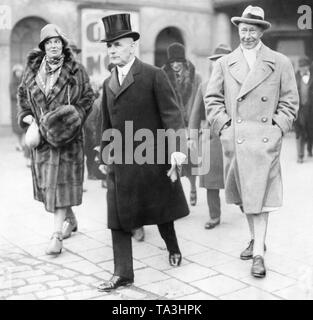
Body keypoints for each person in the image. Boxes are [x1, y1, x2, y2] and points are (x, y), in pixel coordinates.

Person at [97, 13, 189, 291]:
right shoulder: (107, 83)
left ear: (132, 46)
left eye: (118, 45)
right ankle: (122, 271)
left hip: (151, 159)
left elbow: (172, 115)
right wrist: (104, 154)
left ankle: (172, 246)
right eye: (109, 46)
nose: (112, 50)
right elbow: (106, 123)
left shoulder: (153, 75)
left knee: (161, 211)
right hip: (121, 164)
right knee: (118, 217)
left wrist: (176, 150)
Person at [205, 6, 298, 278]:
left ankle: (258, 253)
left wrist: (278, 128)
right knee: (246, 198)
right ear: (238, 30)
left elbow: (290, 100)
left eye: (252, 30)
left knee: (263, 197)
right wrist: (224, 127)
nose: (246, 35)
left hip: (265, 141)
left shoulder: (280, 62)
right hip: (237, 140)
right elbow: (212, 99)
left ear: (261, 31)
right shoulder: (224, 63)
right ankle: (255, 237)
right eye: (243, 30)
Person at [17, 24, 94, 255]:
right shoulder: (31, 71)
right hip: (42, 139)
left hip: (68, 139)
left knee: (59, 185)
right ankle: (70, 220)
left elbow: (88, 97)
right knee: (51, 188)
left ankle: (56, 236)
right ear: (43, 46)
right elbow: (22, 96)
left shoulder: (76, 70)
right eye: (49, 42)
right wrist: (28, 117)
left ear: (63, 45)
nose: (53, 46)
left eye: (57, 42)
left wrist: (73, 117)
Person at [189, 44, 231, 229]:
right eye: (214, 62)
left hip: (234, 138)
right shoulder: (204, 86)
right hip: (210, 139)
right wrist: (191, 137)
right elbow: (195, 114)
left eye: (221, 62)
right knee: (210, 181)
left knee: (239, 175)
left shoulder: (241, 85)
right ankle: (214, 215)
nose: (217, 65)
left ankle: (245, 204)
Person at [162, 43, 202, 206]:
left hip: (190, 126)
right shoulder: (163, 77)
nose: (176, 65)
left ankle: (193, 187)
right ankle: (176, 196)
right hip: (172, 126)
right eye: (172, 62)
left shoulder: (196, 77)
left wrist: (195, 126)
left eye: (179, 61)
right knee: (172, 161)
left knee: (191, 162)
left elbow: (199, 103)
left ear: (184, 62)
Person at [294, 57, 313, 163]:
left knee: (310, 131)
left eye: (304, 66)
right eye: (300, 67)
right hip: (299, 109)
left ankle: (310, 149)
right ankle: (300, 155)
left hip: (311, 110)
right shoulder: (294, 77)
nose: (302, 69)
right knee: (299, 132)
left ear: (308, 67)